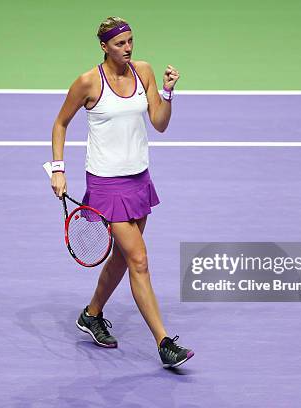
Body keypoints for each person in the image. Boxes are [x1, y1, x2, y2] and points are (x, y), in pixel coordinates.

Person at [50, 16, 194, 369]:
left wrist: (168, 92)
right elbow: (60, 123)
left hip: (138, 179)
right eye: (120, 43)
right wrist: (58, 169)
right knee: (140, 261)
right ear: (104, 46)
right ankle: (164, 342)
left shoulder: (143, 71)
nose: (128, 48)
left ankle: (91, 314)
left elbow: (159, 123)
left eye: (130, 41)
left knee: (123, 258)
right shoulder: (88, 83)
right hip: (106, 184)